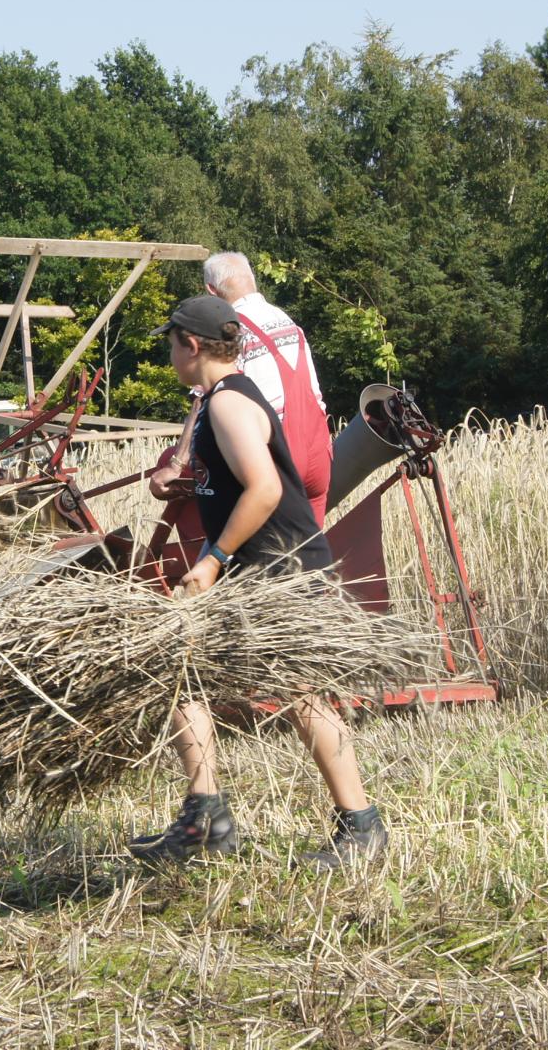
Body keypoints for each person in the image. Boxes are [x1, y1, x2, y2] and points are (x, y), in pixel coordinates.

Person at [129, 295, 388, 869]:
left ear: (190, 345)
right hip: (259, 567)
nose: (170, 355)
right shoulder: (220, 400)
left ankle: (361, 827)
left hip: (281, 569)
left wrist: (213, 558)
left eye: (171, 344)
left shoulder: (229, 403)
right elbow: (233, 490)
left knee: (302, 694)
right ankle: (206, 820)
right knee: (181, 670)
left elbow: (265, 489)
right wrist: (200, 523)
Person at [149, 253, 333, 523]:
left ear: (211, 290)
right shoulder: (287, 321)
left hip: (276, 455)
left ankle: (203, 549)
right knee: (305, 545)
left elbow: (202, 402)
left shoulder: (230, 330)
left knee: (176, 468)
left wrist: (176, 465)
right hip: (318, 452)